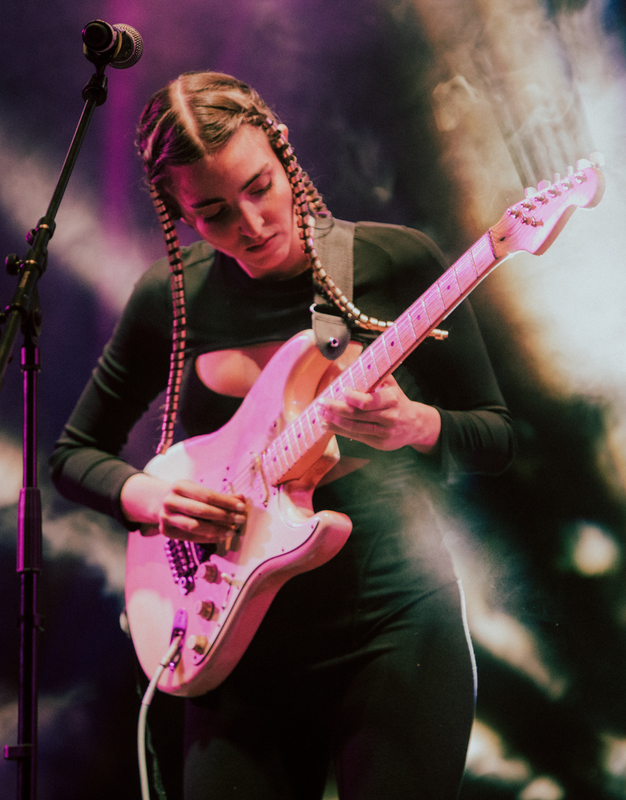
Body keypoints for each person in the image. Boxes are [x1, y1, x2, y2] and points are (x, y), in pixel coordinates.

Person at [49, 71, 516, 799]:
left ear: (283, 152)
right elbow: (72, 456)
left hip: (393, 621)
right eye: (212, 212)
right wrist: (149, 497)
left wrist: (416, 424)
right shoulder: (168, 298)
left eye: (260, 187)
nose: (252, 223)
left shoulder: (395, 262)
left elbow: (499, 437)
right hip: (234, 644)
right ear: (176, 211)